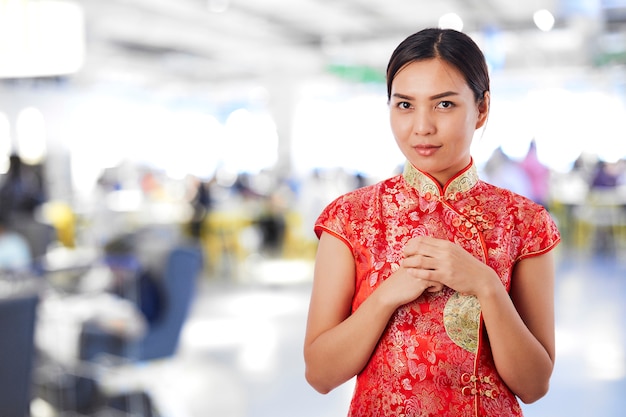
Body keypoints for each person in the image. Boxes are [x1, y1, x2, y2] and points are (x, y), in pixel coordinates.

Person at [303, 28, 560, 417]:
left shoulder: (524, 221)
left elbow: (534, 385)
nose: (421, 126)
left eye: (444, 105)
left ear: (482, 109)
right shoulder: (350, 218)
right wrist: (388, 295)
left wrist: (486, 285)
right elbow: (320, 375)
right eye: (404, 105)